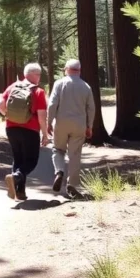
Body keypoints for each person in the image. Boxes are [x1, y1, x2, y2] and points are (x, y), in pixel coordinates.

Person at [0, 63, 49, 201]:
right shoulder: (38, 91)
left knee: (18, 159)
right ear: (34, 75)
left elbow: (0, 105)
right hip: (30, 130)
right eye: (39, 75)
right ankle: (16, 177)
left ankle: (20, 193)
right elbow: (42, 116)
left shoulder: (12, 87)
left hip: (11, 128)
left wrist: (8, 116)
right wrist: (45, 134)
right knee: (31, 161)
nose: (39, 77)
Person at [47, 59, 95, 199]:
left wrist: (49, 122)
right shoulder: (86, 86)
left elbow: (52, 104)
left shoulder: (59, 83)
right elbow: (91, 108)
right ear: (79, 70)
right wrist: (90, 126)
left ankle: (59, 172)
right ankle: (72, 185)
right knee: (75, 154)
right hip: (79, 125)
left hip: (61, 123)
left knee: (58, 149)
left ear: (66, 69)